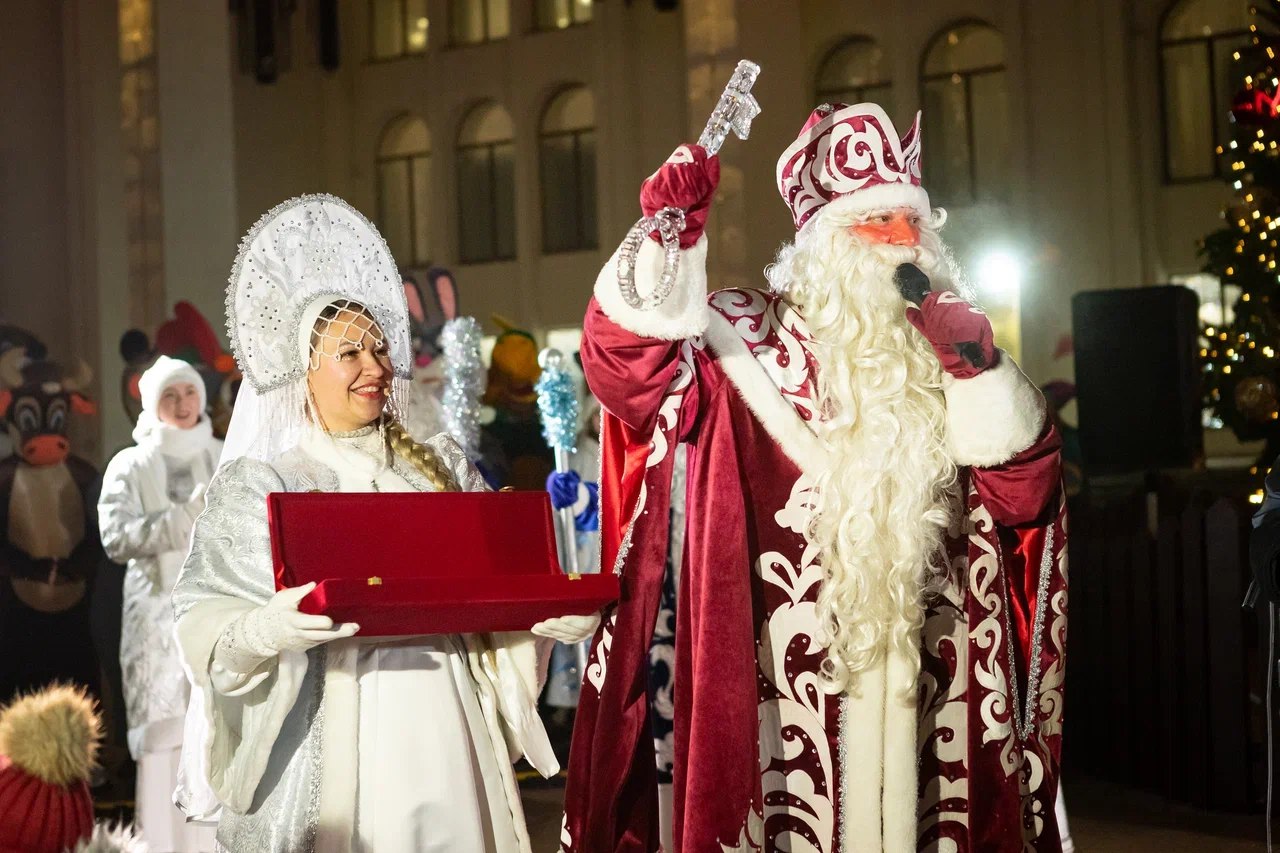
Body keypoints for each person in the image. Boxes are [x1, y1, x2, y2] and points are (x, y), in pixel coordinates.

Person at [561, 104, 1067, 851]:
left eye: (913, 222)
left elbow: (1027, 497)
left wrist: (981, 371)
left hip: (936, 718)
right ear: (823, 246)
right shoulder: (740, 342)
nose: (904, 242)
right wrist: (666, 237)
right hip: (771, 722)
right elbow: (624, 372)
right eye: (876, 223)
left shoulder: (951, 352)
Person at [170, 194, 597, 852]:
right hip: (339, 736)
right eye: (350, 354)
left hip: (449, 731)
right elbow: (201, 623)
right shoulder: (265, 485)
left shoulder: (443, 469)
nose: (375, 367)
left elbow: (490, 595)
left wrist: (534, 622)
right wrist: (266, 626)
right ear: (303, 370)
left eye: (378, 348)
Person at [98, 355, 222, 851]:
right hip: (155, 616)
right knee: (165, 735)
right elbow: (115, 535)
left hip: (216, 606)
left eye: (188, 392)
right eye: (169, 396)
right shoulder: (130, 464)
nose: (182, 404)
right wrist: (179, 520)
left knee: (216, 726)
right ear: (152, 404)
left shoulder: (225, 453)